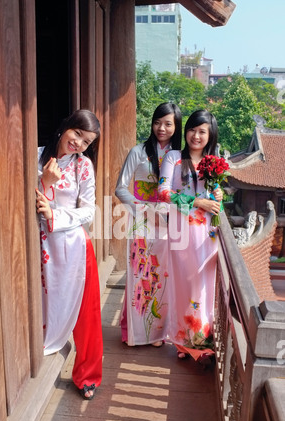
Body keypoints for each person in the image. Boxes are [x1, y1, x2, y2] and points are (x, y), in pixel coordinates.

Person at [35, 109, 103, 400]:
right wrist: (45, 184)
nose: (78, 144)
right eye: (77, 134)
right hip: (38, 244)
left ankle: (88, 374)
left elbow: (88, 210)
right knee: (40, 301)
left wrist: (55, 215)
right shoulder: (35, 154)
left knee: (87, 314)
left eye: (86, 142)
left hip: (74, 246)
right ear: (66, 127)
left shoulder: (83, 167)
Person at [158, 109, 223, 365]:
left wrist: (218, 196)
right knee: (183, 284)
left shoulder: (212, 160)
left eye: (202, 131)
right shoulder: (174, 157)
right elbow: (163, 192)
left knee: (204, 286)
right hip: (182, 232)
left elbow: (216, 193)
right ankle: (182, 340)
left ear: (210, 135)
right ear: (186, 132)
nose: (196, 135)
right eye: (193, 129)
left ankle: (203, 340)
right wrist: (198, 202)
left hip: (208, 233)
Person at [115, 102, 182, 347]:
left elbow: (181, 191)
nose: (161, 128)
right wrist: (144, 209)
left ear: (176, 127)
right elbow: (120, 188)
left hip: (167, 223)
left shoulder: (179, 157)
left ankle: (156, 332)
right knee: (139, 273)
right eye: (157, 122)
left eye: (168, 124)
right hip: (141, 221)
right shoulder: (138, 152)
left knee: (161, 276)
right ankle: (135, 331)